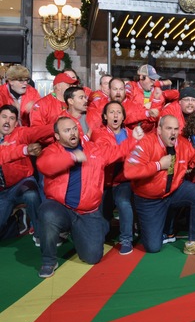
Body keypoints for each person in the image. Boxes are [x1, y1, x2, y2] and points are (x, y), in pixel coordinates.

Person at [36, 117, 140, 278]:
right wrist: (72, 158)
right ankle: (49, 261)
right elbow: (45, 165)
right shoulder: (51, 151)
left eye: (74, 129)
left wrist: (134, 139)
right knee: (47, 213)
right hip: (61, 207)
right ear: (57, 136)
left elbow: (118, 151)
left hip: (87, 212)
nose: (72, 133)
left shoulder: (94, 149)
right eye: (66, 130)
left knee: (93, 257)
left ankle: (86, 229)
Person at [123, 115, 195, 256]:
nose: (173, 133)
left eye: (176, 129)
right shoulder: (146, 143)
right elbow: (129, 171)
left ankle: (194, 243)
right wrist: (158, 165)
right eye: (169, 128)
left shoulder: (182, 144)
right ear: (159, 130)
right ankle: (144, 226)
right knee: (153, 247)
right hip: (149, 200)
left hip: (172, 192)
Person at [91, 101, 145, 254]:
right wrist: (132, 142)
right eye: (112, 112)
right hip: (103, 182)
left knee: (123, 202)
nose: (115, 115)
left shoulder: (131, 133)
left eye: (119, 112)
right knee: (102, 223)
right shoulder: (98, 133)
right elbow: (109, 155)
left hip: (123, 181)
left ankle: (126, 239)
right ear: (105, 116)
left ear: (123, 117)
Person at [0, 105, 53, 244]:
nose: (7, 121)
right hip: (2, 193)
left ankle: (39, 233)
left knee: (31, 194)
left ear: (16, 123)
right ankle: (18, 217)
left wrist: (58, 125)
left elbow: (37, 131)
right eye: (4, 117)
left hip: (21, 183)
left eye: (12, 118)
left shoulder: (21, 133)